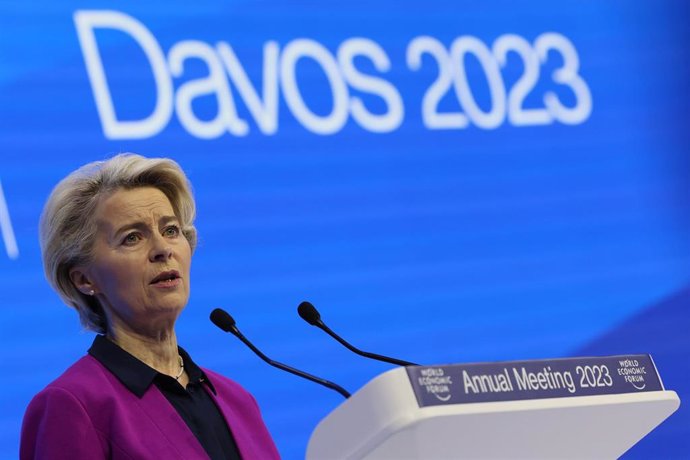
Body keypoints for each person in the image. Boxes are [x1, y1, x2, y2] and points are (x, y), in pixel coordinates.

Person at [20, 153, 280, 459]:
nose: (162, 249)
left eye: (171, 230)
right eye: (132, 238)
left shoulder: (237, 400)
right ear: (84, 279)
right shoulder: (73, 405)